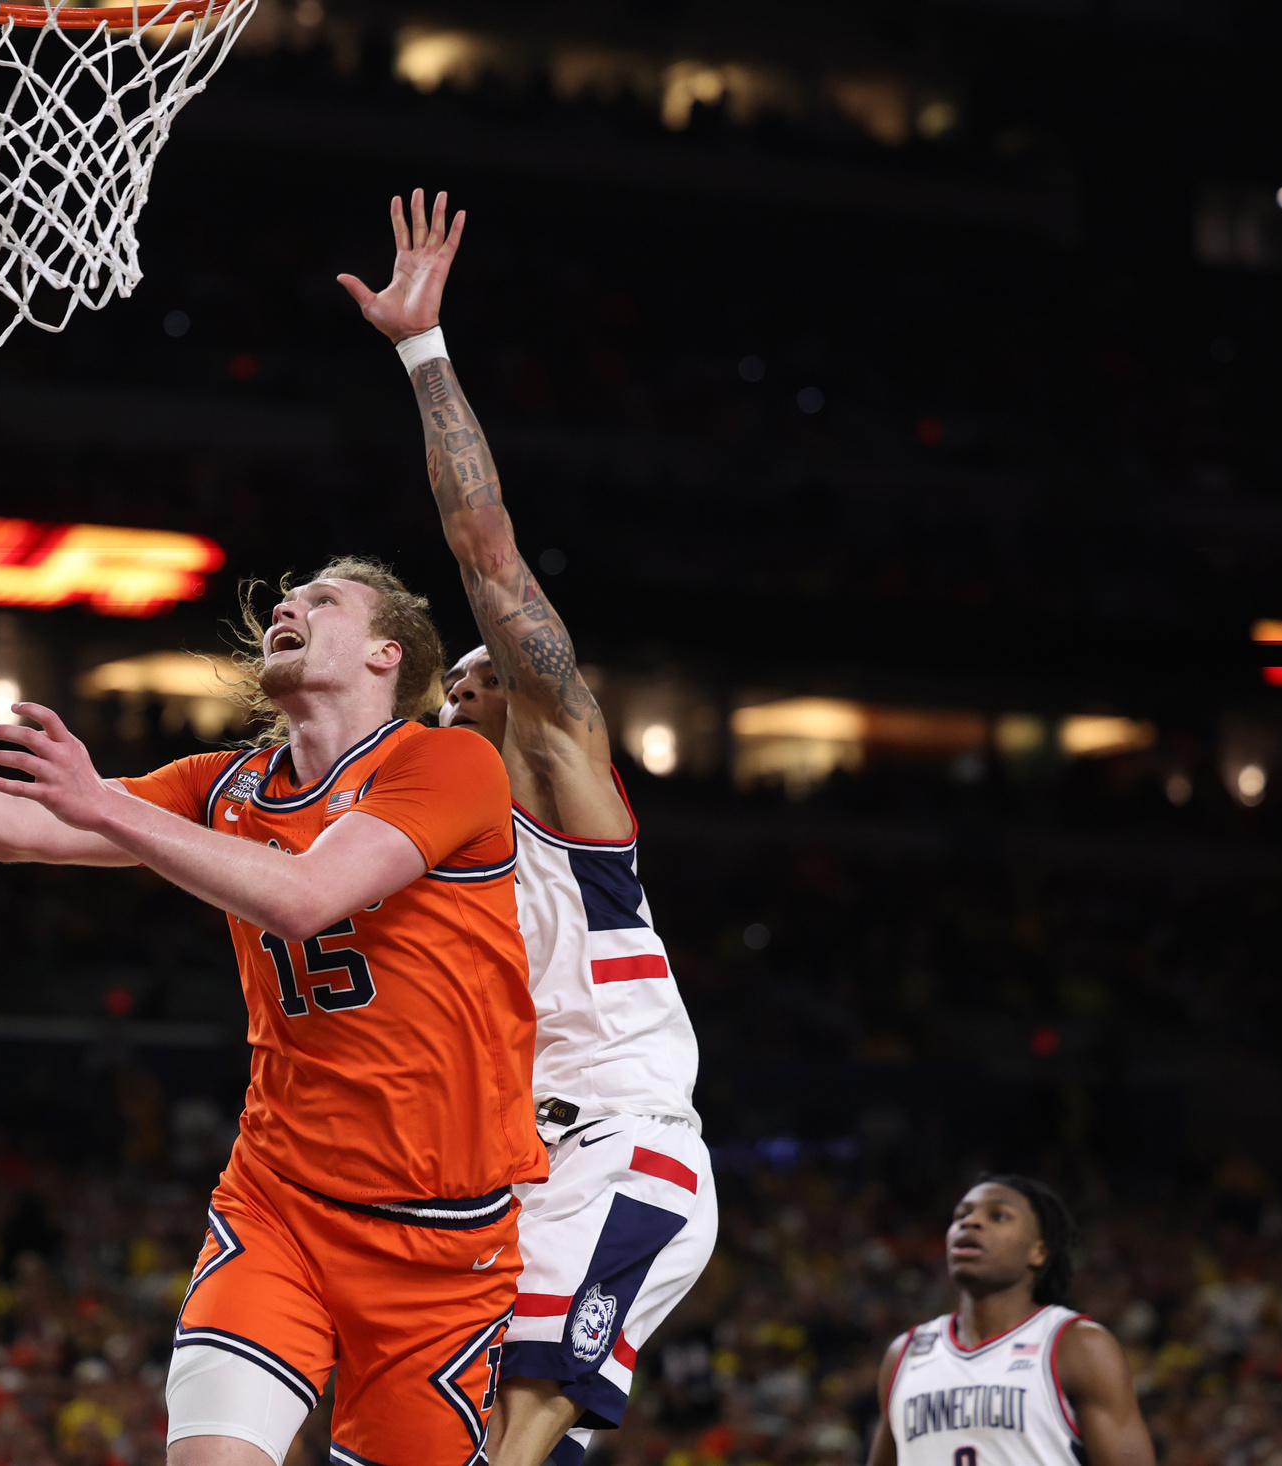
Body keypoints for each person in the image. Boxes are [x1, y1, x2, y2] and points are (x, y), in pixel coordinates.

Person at [0, 551, 547, 1466]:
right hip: (280, 1205)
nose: (286, 603)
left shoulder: (450, 760)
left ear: (388, 655)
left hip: (442, 1238)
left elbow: (307, 895)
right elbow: (12, 827)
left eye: (322, 598)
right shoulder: (227, 786)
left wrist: (107, 806)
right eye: (287, 595)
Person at [338, 190, 717, 1466]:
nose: (461, 687)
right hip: (495, 1167)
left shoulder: (562, 770)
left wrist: (421, 353)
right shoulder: (423, 819)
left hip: (621, 1135)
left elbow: (484, 551)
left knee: (520, 1414)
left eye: (480, 674)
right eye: (447, 682)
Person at [867, 1176, 1155, 1466]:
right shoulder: (906, 1354)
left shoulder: (1077, 1345)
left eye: (998, 1216)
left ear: (1038, 1251)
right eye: (961, 1215)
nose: (971, 1222)